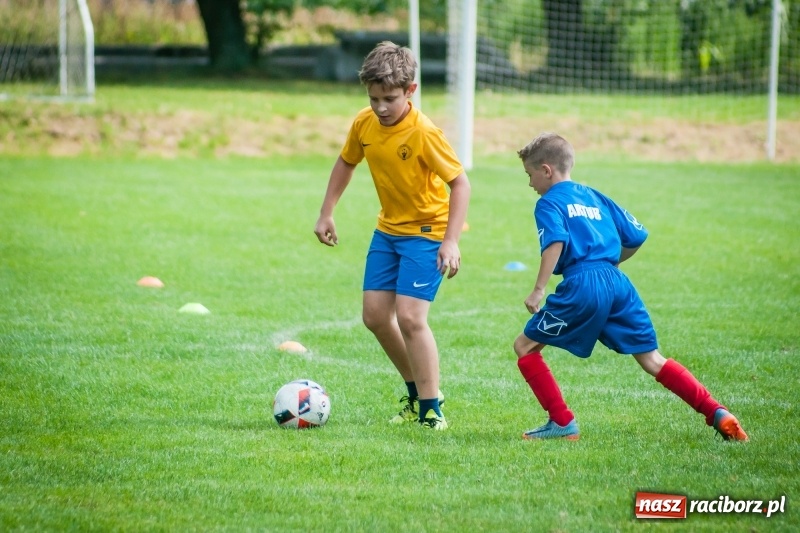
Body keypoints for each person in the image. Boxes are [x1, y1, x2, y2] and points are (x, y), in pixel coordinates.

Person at [512, 132, 748, 442]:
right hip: (617, 282)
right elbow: (635, 237)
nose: (530, 184)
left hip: (583, 282)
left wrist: (539, 289)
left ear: (546, 170)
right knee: (653, 360)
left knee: (525, 346)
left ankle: (562, 422)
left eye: (530, 175)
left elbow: (555, 241)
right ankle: (717, 412)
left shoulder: (548, 202)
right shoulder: (595, 196)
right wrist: (611, 264)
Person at [314, 41, 471, 430]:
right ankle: (416, 392)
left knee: (411, 317)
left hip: (427, 232)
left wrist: (451, 241)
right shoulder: (364, 123)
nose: (381, 107)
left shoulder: (424, 132)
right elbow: (346, 161)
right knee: (374, 317)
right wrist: (327, 212)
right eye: (373, 98)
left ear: (410, 92)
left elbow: (460, 183)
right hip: (387, 231)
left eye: (389, 99)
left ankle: (432, 408)